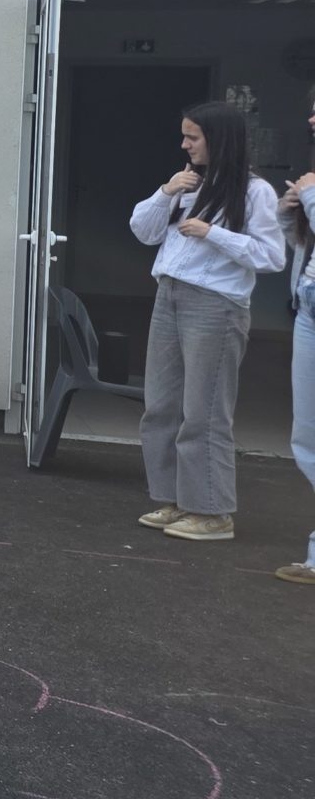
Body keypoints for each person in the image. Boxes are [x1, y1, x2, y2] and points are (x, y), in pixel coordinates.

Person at [130, 100, 285, 543]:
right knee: (160, 406)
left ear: (219, 139)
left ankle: (212, 512)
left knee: (205, 411)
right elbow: (143, 231)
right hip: (169, 295)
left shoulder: (254, 192)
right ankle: (174, 499)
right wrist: (166, 192)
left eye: (192, 137)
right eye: (184, 136)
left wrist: (212, 233)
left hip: (216, 305)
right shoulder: (187, 182)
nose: (185, 144)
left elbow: (272, 256)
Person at [281, 102, 315, 585]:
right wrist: (290, 215)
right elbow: (302, 247)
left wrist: (309, 197)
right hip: (307, 309)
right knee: (306, 435)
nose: (311, 120)